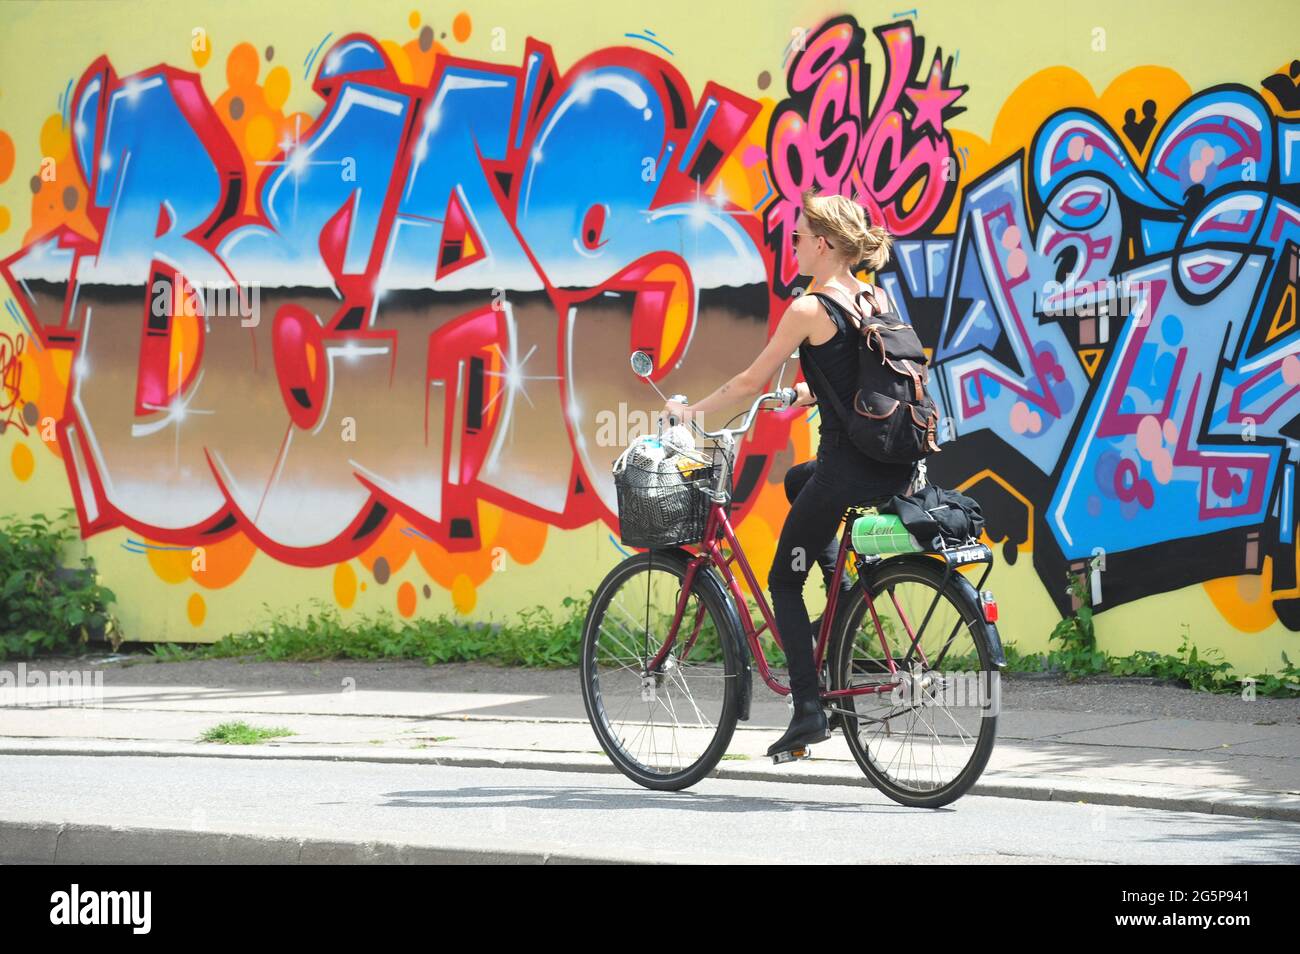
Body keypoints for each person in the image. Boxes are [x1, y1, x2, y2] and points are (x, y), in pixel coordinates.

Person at [661, 189, 914, 758]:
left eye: (798, 237)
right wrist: (802, 393)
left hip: (848, 469)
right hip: (893, 465)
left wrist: (689, 412)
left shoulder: (808, 307)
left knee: (782, 580)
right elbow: (863, 376)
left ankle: (807, 709)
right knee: (798, 482)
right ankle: (844, 604)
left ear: (823, 244)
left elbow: (747, 381)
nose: (792, 245)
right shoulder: (871, 296)